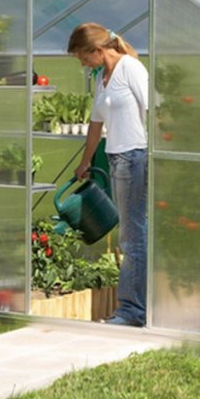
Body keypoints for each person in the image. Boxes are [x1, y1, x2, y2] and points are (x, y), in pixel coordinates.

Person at [68, 23, 148, 327]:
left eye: (83, 57)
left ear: (97, 50)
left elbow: (153, 110)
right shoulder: (103, 78)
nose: (83, 63)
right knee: (132, 233)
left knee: (132, 236)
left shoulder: (130, 68)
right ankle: (136, 308)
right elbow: (95, 125)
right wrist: (84, 162)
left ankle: (132, 311)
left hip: (135, 156)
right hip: (117, 159)